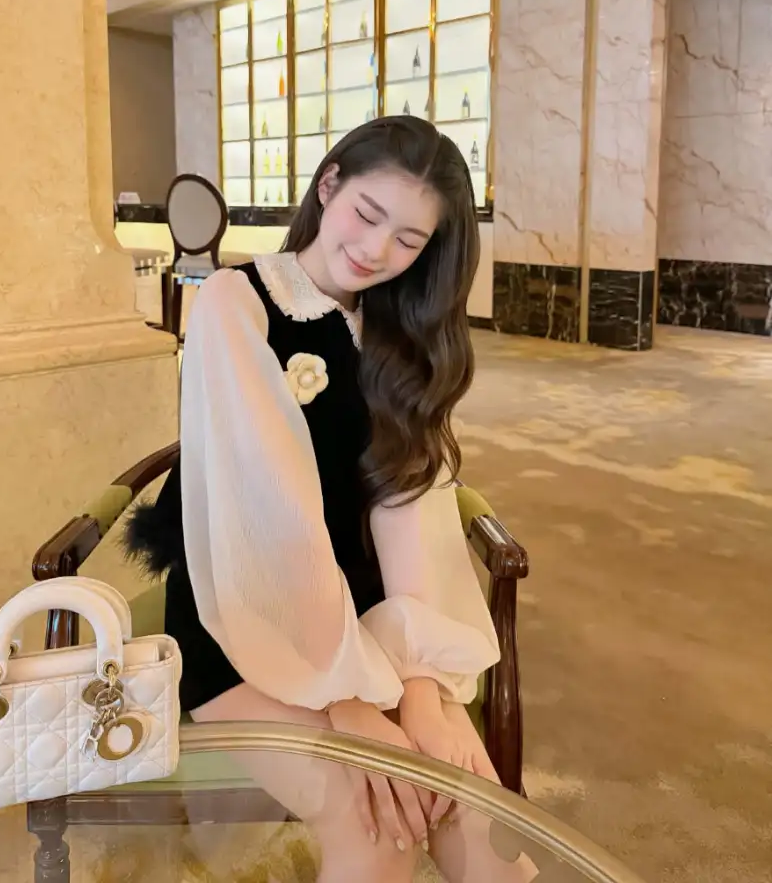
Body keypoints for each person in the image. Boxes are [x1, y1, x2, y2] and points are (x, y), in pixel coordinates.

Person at [128, 116, 535, 882]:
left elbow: (413, 507)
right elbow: (267, 515)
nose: (377, 250)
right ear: (329, 185)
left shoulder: (401, 329)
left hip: (371, 619)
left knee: (470, 815)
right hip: (244, 616)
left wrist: (418, 689)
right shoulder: (235, 303)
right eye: (366, 214)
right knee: (377, 829)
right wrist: (347, 699)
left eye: (408, 239)